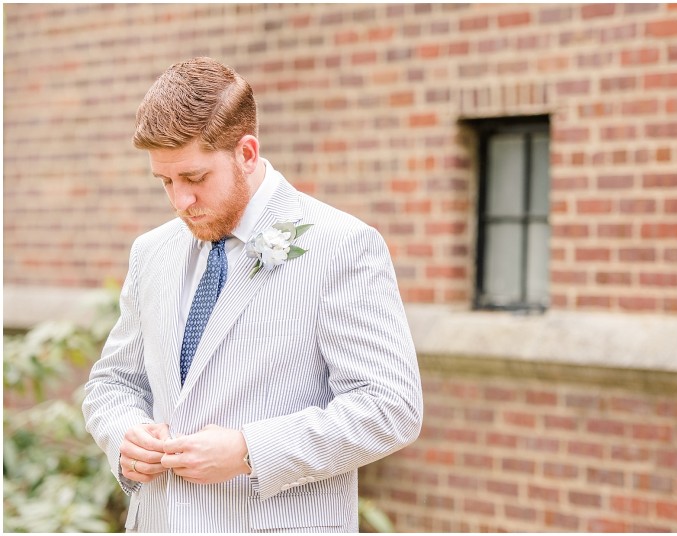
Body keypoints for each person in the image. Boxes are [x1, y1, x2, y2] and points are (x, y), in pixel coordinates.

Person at [82, 57, 423, 533]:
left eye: (195, 178)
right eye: (166, 182)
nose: (180, 201)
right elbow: (113, 382)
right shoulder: (151, 252)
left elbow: (391, 407)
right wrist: (124, 436)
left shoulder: (342, 246)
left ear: (246, 152)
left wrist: (248, 450)